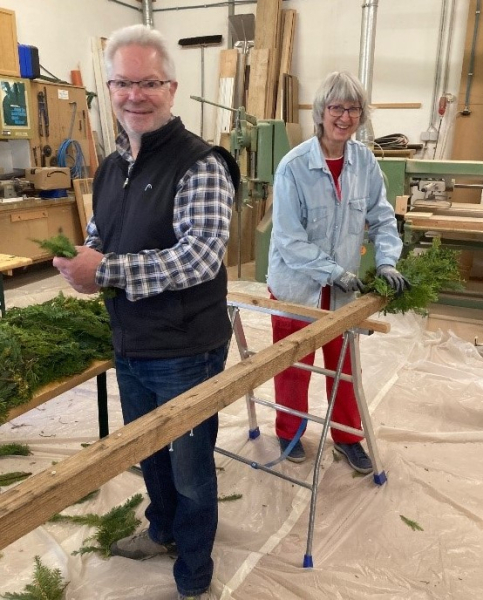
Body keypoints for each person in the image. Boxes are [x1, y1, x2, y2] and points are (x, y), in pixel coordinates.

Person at [53, 24, 239, 600]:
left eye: (149, 83)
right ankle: (162, 531)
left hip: (186, 348)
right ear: (109, 89)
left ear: (172, 88)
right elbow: (100, 233)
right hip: (131, 340)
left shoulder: (200, 164)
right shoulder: (112, 166)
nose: (135, 95)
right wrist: (82, 259)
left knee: (190, 468)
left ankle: (194, 571)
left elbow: (200, 257)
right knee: (147, 451)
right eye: (122, 83)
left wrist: (105, 271)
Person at [267, 71, 409, 473]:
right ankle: (289, 431)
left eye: (353, 109)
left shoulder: (365, 162)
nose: (345, 117)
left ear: (361, 115)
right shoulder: (294, 167)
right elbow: (289, 239)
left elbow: (382, 218)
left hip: (342, 291)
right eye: (336, 108)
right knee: (293, 365)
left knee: (344, 367)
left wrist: (387, 261)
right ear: (321, 111)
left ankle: (347, 438)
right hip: (298, 287)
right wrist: (332, 271)